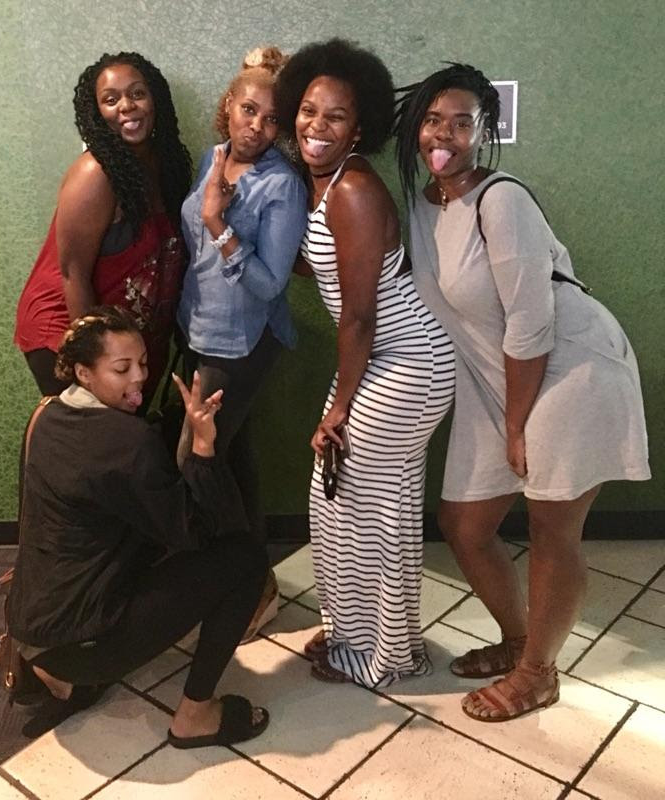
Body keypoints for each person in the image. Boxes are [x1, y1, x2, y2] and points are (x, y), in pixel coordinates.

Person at [394, 63, 650, 721]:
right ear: (416, 126)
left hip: (569, 370)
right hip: (495, 379)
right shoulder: (422, 207)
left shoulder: (500, 199)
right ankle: (517, 642)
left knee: (550, 528)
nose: (445, 134)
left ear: (484, 132)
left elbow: (532, 322)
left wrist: (517, 425)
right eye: (433, 119)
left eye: (463, 122)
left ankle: (538, 672)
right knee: (464, 524)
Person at [274, 39, 456, 688]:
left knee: (366, 503)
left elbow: (358, 316)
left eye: (337, 116)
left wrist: (340, 409)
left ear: (359, 128)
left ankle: (382, 656)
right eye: (308, 110)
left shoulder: (352, 188)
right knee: (349, 499)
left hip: (407, 359)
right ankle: (364, 637)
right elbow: (318, 265)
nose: (317, 126)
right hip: (382, 356)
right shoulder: (320, 183)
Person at [7, 306, 270, 745]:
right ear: (84, 373)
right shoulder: (126, 441)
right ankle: (195, 716)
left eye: (144, 364)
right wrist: (203, 448)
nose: (139, 379)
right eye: (121, 368)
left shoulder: (47, 416)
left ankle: (62, 675)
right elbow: (200, 532)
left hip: (31, 626)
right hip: (79, 644)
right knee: (245, 559)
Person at [177, 47, 307, 639]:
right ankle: (251, 582)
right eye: (249, 110)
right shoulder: (213, 158)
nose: (257, 126)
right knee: (232, 455)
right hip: (198, 329)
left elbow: (270, 283)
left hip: (240, 342)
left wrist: (217, 223)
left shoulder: (281, 185)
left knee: (195, 460)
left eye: (272, 119)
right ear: (229, 105)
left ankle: (242, 580)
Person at [14, 52, 192, 404]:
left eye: (137, 93)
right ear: (97, 113)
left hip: (127, 335)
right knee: (95, 433)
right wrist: (94, 361)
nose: (126, 106)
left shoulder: (164, 164)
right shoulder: (95, 174)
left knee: (130, 430)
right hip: (70, 325)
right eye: (111, 100)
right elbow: (73, 274)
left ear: (155, 99)